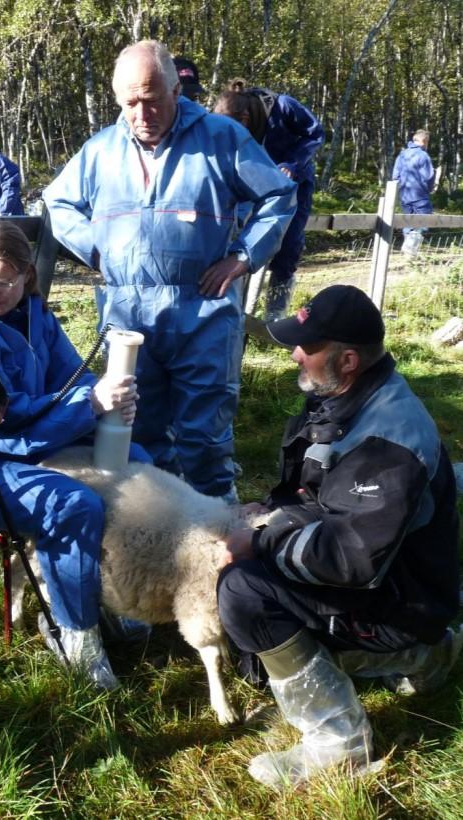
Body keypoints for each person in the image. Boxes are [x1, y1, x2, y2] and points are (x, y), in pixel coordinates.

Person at [216, 284, 462, 789]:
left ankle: (341, 746)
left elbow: (352, 558)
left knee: (244, 593)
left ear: (347, 359)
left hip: (400, 599)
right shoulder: (339, 401)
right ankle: (425, 656)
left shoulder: (387, 440)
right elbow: (315, 496)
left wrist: (259, 543)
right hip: (384, 582)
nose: (294, 354)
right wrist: (261, 513)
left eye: (307, 346)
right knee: (255, 660)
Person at [43, 40, 297, 503]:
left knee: (204, 437)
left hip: (201, 310)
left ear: (175, 90)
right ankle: (158, 538)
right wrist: (96, 250)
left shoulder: (221, 137)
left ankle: (220, 541)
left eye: (153, 99)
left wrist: (243, 257)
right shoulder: (100, 150)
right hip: (127, 315)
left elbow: (278, 196)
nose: (142, 113)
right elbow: (56, 201)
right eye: (130, 102)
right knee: (137, 433)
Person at [0, 221, 151, 690]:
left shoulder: (36, 315)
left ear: (26, 276)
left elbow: (72, 377)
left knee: (136, 460)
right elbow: (1, 420)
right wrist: (88, 407)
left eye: (3, 281)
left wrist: (106, 394)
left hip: (18, 443)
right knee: (73, 505)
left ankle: (108, 593)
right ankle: (72, 633)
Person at [214, 83, 324, 320]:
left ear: (245, 119)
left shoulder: (283, 106)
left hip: (294, 183)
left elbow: (315, 132)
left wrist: (293, 163)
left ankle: (275, 314)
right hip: (251, 181)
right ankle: (231, 307)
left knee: (288, 244)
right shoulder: (231, 124)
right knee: (236, 236)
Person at [392, 129, 435, 254]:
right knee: (423, 221)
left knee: (408, 221)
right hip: (420, 194)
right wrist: (430, 188)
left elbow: (395, 176)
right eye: (427, 142)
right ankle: (410, 251)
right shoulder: (423, 155)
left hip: (404, 194)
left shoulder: (402, 155)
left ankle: (407, 250)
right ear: (424, 141)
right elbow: (428, 176)